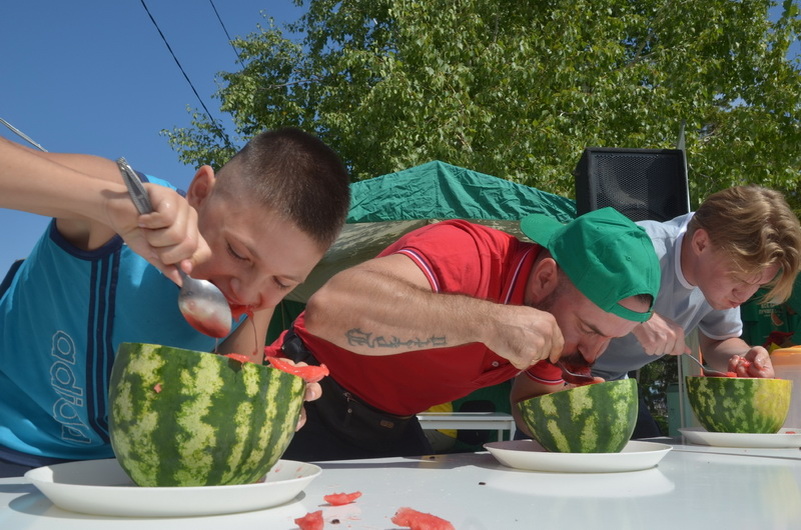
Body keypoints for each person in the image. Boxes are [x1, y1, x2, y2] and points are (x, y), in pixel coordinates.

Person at [0, 128, 351, 476]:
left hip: (123, 469)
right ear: (200, 193)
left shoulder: (257, 303)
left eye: (282, 282)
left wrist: (273, 405)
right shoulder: (131, 201)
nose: (245, 293)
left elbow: (225, 402)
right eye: (238, 253)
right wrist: (106, 204)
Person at [264, 206, 661, 461]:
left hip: (393, 423)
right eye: (589, 329)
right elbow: (328, 311)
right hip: (307, 402)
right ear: (545, 278)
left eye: (610, 339)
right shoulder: (466, 251)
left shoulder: (557, 321)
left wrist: (572, 412)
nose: (593, 354)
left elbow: (530, 401)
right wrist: (487, 322)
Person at [590, 185, 801, 437]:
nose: (744, 296)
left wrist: (745, 358)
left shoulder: (715, 276)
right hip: (555, 374)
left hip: (613, 384)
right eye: (739, 279)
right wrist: (639, 316)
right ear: (701, 243)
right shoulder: (642, 247)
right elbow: (570, 282)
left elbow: (718, 341)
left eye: (758, 285)